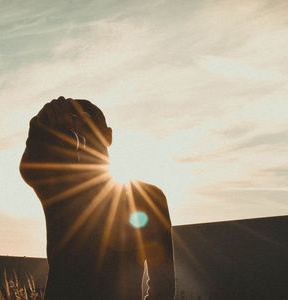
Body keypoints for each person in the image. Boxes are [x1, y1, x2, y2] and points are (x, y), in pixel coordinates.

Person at [20, 96, 175, 299]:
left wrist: (46, 126)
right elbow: (32, 165)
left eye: (86, 122)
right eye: (74, 126)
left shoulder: (148, 198)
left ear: (109, 136)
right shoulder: (59, 188)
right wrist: (41, 124)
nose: (80, 130)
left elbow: (162, 284)